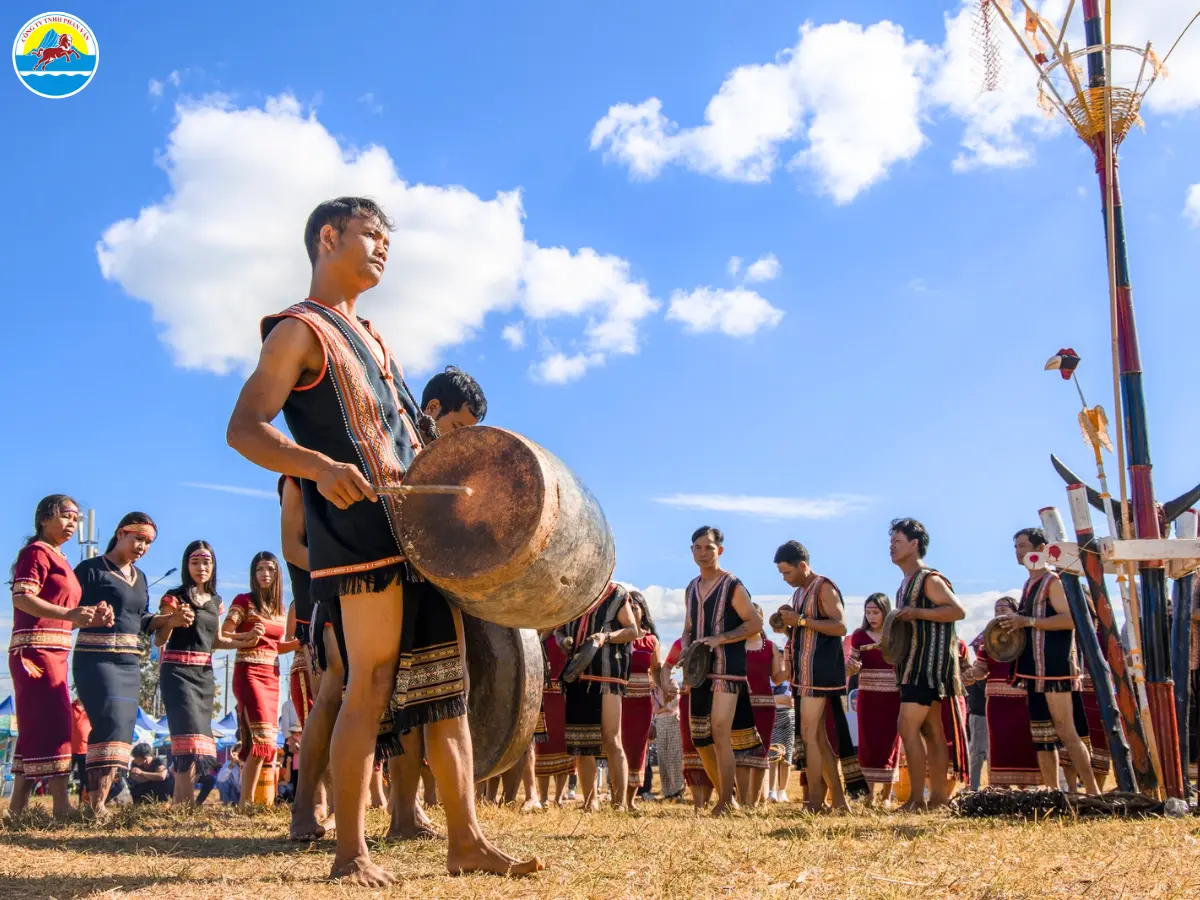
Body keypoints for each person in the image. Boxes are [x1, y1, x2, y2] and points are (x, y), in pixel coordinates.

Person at [226, 197, 539, 883]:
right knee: (367, 683)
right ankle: (350, 852)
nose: (383, 248)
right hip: (359, 532)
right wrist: (317, 467)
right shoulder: (297, 330)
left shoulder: (373, 337)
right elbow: (245, 427)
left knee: (446, 691)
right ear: (328, 237)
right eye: (371, 235)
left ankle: (467, 841)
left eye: (387, 239)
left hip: (415, 532)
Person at [74, 512, 169, 817]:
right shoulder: (90, 570)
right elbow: (68, 608)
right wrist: (89, 612)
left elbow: (141, 620)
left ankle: (98, 802)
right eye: (138, 538)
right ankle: (95, 803)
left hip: (130, 664)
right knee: (109, 721)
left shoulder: (140, 578)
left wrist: (170, 620)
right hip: (95, 659)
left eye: (148, 542)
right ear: (120, 533)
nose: (142, 546)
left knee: (123, 730)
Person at [7, 495, 96, 819]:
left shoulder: (60, 557)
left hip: (56, 651)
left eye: (76, 519)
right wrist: (69, 613)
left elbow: (63, 613)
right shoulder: (35, 553)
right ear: (44, 518)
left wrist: (83, 618)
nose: (72, 524)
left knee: (37, 728)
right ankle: (60, 805)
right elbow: (23, 598)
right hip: (34, 651)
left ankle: (17, 808)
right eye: (66, 516)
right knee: (56, 724)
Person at [997, 528, 1099, 794]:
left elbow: (1071, 619)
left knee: (1066, 730)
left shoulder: (1052, 581)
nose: (1018, 551)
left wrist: (1027, 621)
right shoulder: (1030, 583)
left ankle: (1092, 792)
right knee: (1041, 735)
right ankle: (1053, 794)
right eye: (1016, 546)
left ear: (1040, 548)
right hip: (1034, 669)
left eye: (1022, 546)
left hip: (1055, 668)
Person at [683, 526, 763, 817]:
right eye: (698, 547)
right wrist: (684, 653)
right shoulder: (691, 587)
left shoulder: (732, 585)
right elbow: (689, 627)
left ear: (720, 550)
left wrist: (721, 639)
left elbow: (754, 624)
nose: (703, 553)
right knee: (700, 737)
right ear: (691, 550)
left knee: (719, 731)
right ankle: (727, 796)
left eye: (709, 547)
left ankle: (726, 803)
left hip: (727, 668)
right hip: (699, 670)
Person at [889, 517, 966, 812]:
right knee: (932, 732)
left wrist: (917, 612)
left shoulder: (929, 579)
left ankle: (917, 799)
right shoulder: (904, 584)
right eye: (891, 541)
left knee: (907, 727)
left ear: (914, 544)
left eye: (897, 541)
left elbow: (957, 611)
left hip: (927, 666)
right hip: (915, 664)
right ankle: (937, 798)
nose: (891, 547)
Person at [773, 541, 850, 814]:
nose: (785, 578)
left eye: (787, 572)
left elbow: (840, 625)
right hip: (804, 672)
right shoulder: (799, 593)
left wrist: (801, 621)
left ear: (802, 566)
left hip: (821, 672)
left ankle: (816, 802)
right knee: (815, 737)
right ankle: (838, 802)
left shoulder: (824, 587)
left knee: (810, 735)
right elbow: (803, 629)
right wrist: (789, 626)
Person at [155, 541, 232, 805]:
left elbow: (217, 640)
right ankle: (185, 806)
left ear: (213, 566)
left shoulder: (216, 602)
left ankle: (179, 804)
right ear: (187, 565)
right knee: (187, 737)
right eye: (195, 562)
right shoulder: (173, 597)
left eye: (206, 562)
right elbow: (159, 639)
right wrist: (172, 621)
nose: (201, 567)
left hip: (204, 674)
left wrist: (248, 639)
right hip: (177, 672)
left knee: (198, 739)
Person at [222, 551, 297, 807]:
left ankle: (252, 800)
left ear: (277, 575)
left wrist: (302, 642)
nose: (265, 574)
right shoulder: (243, 601)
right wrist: (248, 637)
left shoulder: (280, 608)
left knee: (265, 740)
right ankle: (246, 801)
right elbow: (224, 634)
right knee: (259, 737)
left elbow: (277, 646)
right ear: (253, 574)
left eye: (270, 569)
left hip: (273, 675)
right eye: (260, 569)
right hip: (249, 673)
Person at [558, 582, 640, 811]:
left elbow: (632, 631)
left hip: (607, 676)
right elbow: (559, 629)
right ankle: (589, 801)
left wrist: (606, 636)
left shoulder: (617, 594)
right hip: (577, 673)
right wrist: (563, 640)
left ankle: (619, 802)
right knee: (581, 742)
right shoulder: (572, 590)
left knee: (611, 739)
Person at [964, 598, 1040, 788]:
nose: (999, 612)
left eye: (1004, 608)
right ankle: (1001, 790)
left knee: (1022, 742)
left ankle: (1025, 790)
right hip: (996, 701)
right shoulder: (988, 638)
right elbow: (982, 669)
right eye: (996, 609)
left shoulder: (1026, 636)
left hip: (1022, 699)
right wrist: (972, 674)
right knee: (999, 744)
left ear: (1016, 612)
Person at [846, 593, 902, 804]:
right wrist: (851, 667)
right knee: (868, 743)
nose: (871, 616)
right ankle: (868, 794)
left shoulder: (897, 635)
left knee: (891, 742)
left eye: (875, 612)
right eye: (868, 612)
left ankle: (887, 795)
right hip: (868, 697)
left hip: (893, 698)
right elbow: (852, 662)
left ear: (885, 611)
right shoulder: (860, 636)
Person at [620, 591, 672, 808]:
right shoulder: (617, 636)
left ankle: (630, 799)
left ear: (642, 610)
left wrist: (665, 688)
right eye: (627, 607)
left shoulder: (651, 640)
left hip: (642, 703)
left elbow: (656, 669)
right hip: (618, 700)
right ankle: (617, 797)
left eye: (635, 606)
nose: (631, 610)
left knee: (637, 749)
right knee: (618, 747)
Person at [742, 603, 783, 808]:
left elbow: (777, 678)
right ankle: (742, 799)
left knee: (760, 752)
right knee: (740, 751)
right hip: (740, 704)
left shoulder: (770, 646)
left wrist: (791, 664)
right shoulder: (734, 645)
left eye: (756, 616)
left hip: (765, 706)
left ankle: (754, 802)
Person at [665, 636, 714, 808]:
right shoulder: (681, 643)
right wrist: (667, 686)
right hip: (687, 699)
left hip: (712, 697)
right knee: (690, 748)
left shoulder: (713, 639)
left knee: (709, 746)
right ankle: (698, 803)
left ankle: (708, 799)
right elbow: (667, 666)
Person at [535, 630, 575, 806]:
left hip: (563, 699)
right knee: (542, 748)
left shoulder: (568, 639)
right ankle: (543, 798)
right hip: (542, 698)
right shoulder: (538, 637)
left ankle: (558, 798)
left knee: (563, 747)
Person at [652, 672, 684, 800]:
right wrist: (664, 707)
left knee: (675, 756)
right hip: (660, 722)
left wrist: (662, 708)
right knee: (663, 756)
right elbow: (654, 709)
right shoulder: (654, 689)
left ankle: (678, 789)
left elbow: (673, 706)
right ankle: (668, 791)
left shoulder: (672, 683)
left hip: (673, 720)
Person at [965, 631, 989, 791]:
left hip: (986, 713)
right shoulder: (977, 667)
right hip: (978, 714)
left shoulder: (987, 667)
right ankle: (973, 786)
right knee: (977, 752)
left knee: (982, 753)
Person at [767, 679, 794, 803]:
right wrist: (779, 699)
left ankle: (782, 791)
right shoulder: (768, 678)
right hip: (772, 717)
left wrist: (786, 700)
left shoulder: (792, 678)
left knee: (786, 758)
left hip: (789, 718)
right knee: (773, 757)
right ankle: (771, 791)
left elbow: (792, 700)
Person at [70, 695, 91, 800]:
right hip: (70, 750)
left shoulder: (91, 708)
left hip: (85, 750)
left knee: (86, 779)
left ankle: (83, 802)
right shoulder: (70, 707)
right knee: (64, 777)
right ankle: (62, 802)